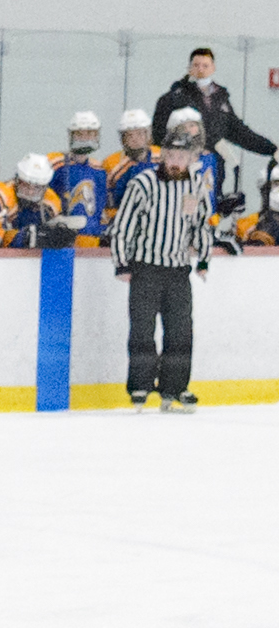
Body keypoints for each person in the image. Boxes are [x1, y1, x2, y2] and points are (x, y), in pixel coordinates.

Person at [110, 117, 214, 413]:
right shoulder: (143, 183)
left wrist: (204, 258)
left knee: (180, 331)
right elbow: (123, 226)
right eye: (171, 155)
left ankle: (175, 387)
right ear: (162, 154)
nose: (176, 161)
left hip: (178, 270)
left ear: (191, 157)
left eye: (182, 156)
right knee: (143, 330)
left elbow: (200, 225)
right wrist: (122, 263)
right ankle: (141, 386)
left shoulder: (196, 183)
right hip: (146, 268)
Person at [151, 47, 276, 163]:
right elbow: (158, 133)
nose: (201, 70)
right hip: (182, 163)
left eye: (205, 66)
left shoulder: (220, 98)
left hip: (212, 165)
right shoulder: (173, 98)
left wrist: (271, 149)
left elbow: (238, 132)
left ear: (213, 68)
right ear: (189, 68)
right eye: (196, 65)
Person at [46, 112, 109, 246]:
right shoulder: (55, 163)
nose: (85, 138)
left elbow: (99, 210)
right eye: (80, 134)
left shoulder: (99, 170)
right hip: (63, 240)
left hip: (91, 240)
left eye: (90, 134)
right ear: (71, 135)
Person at [0, 154, 71, 249]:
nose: (30, 192)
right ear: (17, 180)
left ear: (45, 187)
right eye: (26, 185)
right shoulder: (3, 195)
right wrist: (29, 237)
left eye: (37, 187)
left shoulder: (52, 201)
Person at [103, 108, 159, 227]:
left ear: (148, 134)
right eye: (130, 135)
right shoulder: (111, 163)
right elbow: (107, 203)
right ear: (123, 138)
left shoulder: (163, 157)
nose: (135, 138)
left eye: (140, 133)